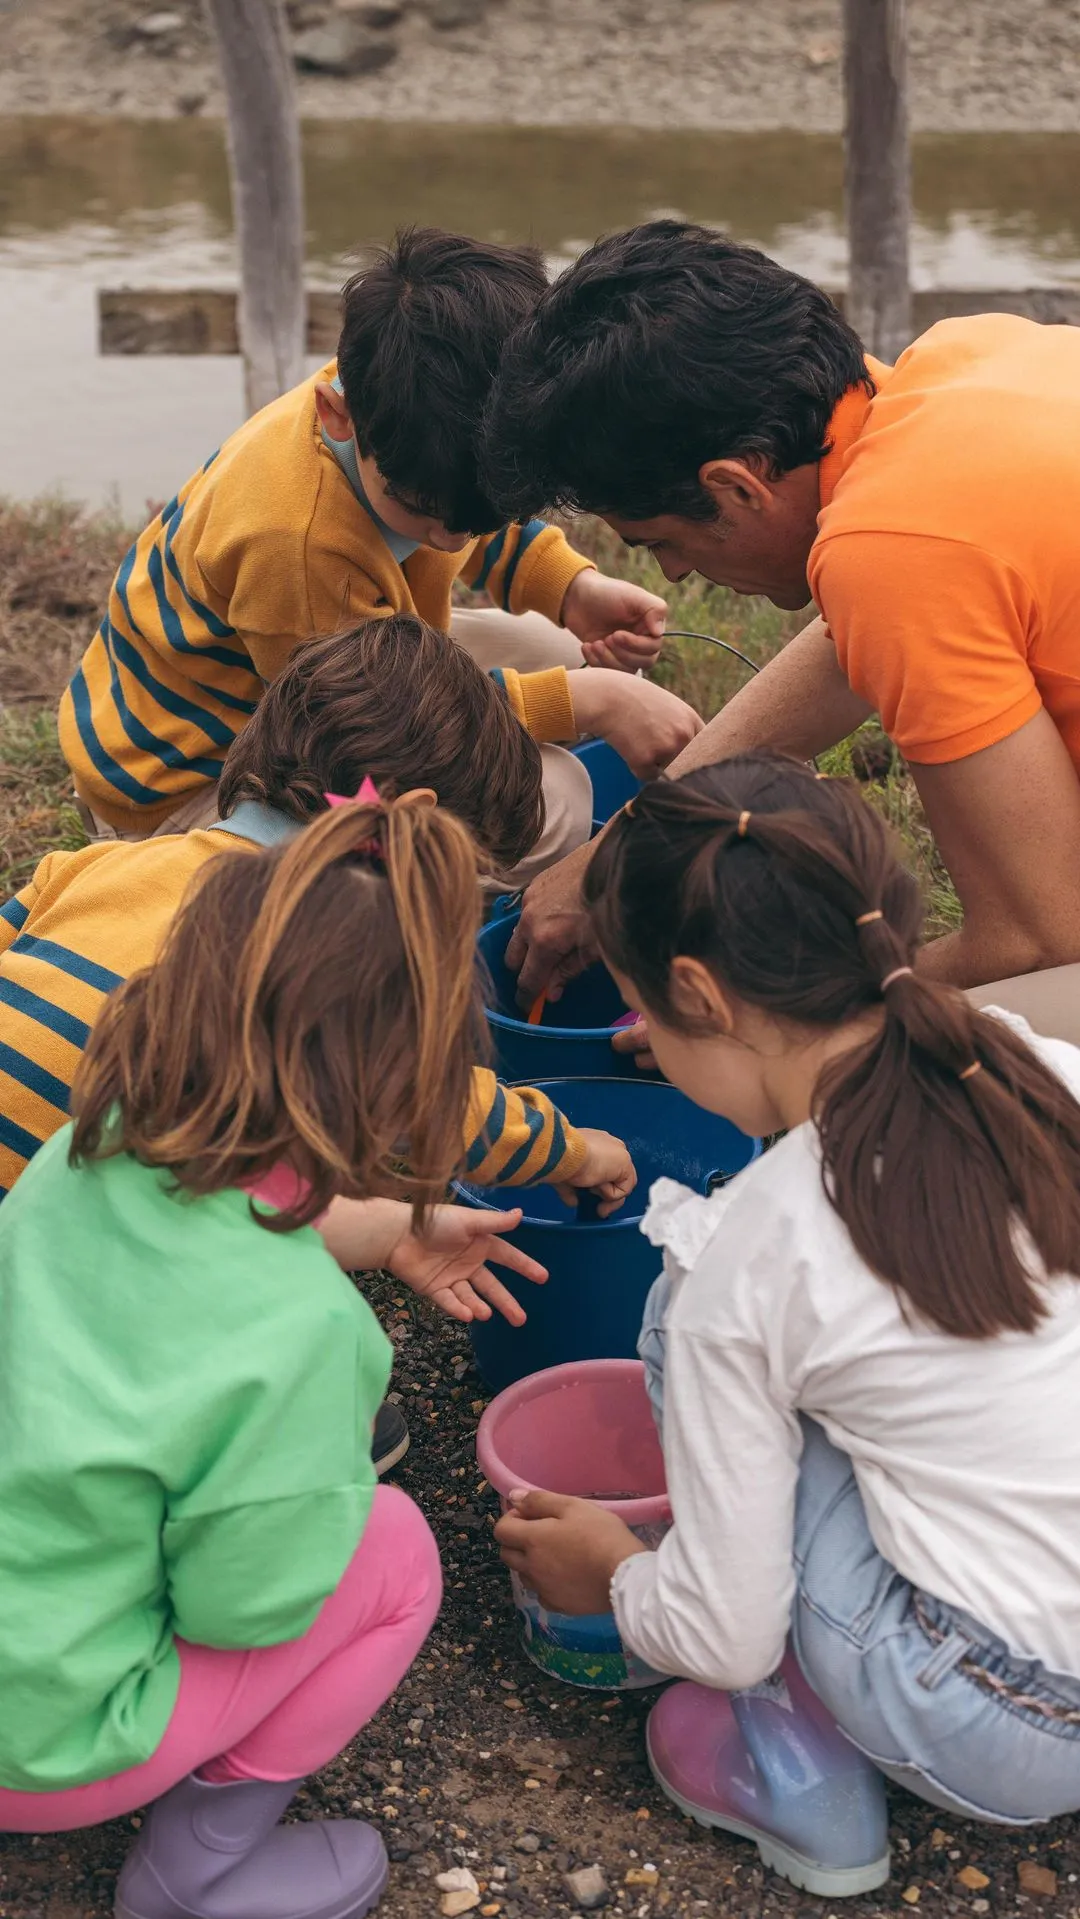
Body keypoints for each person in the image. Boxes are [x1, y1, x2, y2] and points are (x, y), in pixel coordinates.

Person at [496, 757, 1080, 1895]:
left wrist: (617, 1575)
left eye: (643, 1012)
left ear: (700, 997)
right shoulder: (1044, 1072)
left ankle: (791, 1760)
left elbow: (722, 1632)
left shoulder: (752, 1254)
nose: (647, 1043)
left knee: (678, 1312)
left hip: (1009, 1725)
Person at [0, 793, 552, 1919]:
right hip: (41, 1740)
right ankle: (196, 1868)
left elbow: (250, 1203)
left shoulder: (80, 1149)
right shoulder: (299, 1332)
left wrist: (396, 1227)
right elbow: (237, 1611)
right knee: (395, 1553)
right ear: (399, 1090)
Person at [0, 618, 636, 1466]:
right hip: (56, 1326)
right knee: (328, 1361)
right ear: (410, 825)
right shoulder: (326, 952)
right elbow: (445, 1110)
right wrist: (581, 1154)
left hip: (48, 1217)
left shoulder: (90, 869)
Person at [481, 219, 1080, 1026]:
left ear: (735, 486)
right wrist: (621, 851)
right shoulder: (961, 361)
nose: (675, 573)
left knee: (928, 1057)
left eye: (662, 542)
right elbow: (858, 634)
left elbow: (1041, 938)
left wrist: (770, 1033)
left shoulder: (893, 553)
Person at [62, 226, 699, 877]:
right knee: (555, 801)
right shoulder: (298, 544)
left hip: (325, 672)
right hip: (187, 784)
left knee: (563, 654)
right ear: (337, 416)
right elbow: (377, 727)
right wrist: (589, 702)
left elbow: (462, 513)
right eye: (425, 514)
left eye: (479, 516)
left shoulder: (393, 402)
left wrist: (568, 589)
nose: (451, 539)